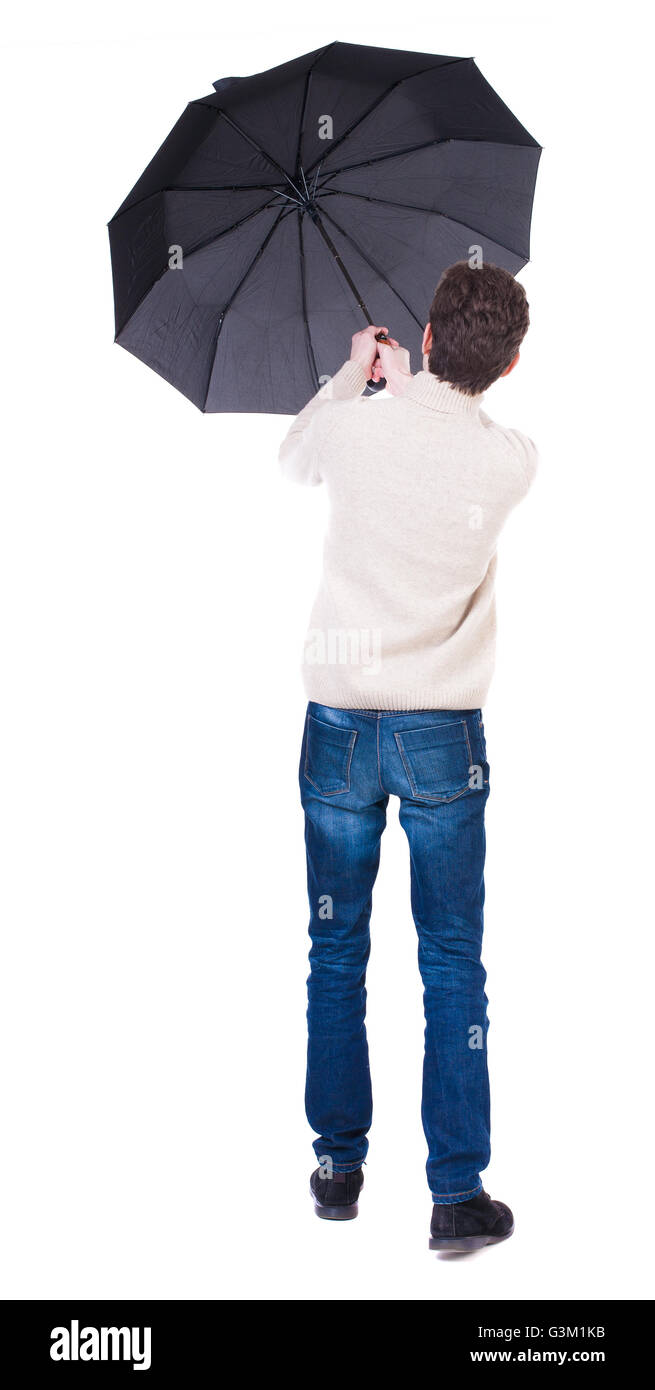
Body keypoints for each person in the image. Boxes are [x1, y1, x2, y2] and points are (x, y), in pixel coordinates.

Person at [278, 260, 538, 1251]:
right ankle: (454, 1189)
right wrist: (413, 387)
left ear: (423, 339)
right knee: (452, 963)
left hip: (339, 727)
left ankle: (338, 1166)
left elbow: (296, 459)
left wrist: (358, 375)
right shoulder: (513, 460)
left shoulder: (351, 426)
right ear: (512, 363)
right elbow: (452, 440)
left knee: (334, 950)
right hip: (441, 739)